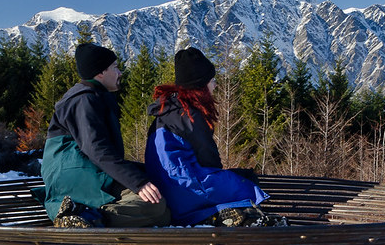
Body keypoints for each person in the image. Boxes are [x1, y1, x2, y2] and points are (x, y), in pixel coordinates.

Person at [145, 47, 283, 227]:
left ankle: (219, 215)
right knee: (244, 184)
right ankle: (226, 215)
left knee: (236, 179)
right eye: (212, 81)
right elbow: (209, 159)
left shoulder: (166, 111)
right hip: (185, 189)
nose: (215, 85)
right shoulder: (189, 115)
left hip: (168, 187)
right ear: (200, 86)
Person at [41, 43, 170, 228]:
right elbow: (96, 149)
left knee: (163, 211)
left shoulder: (94, 97)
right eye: (115, 68)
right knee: (154, 205)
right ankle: (86, 218)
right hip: (73, 178)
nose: (120, 73)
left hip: (89, 172)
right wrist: (139, 182)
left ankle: (90, 217)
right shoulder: (83, 100)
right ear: (100, 73)